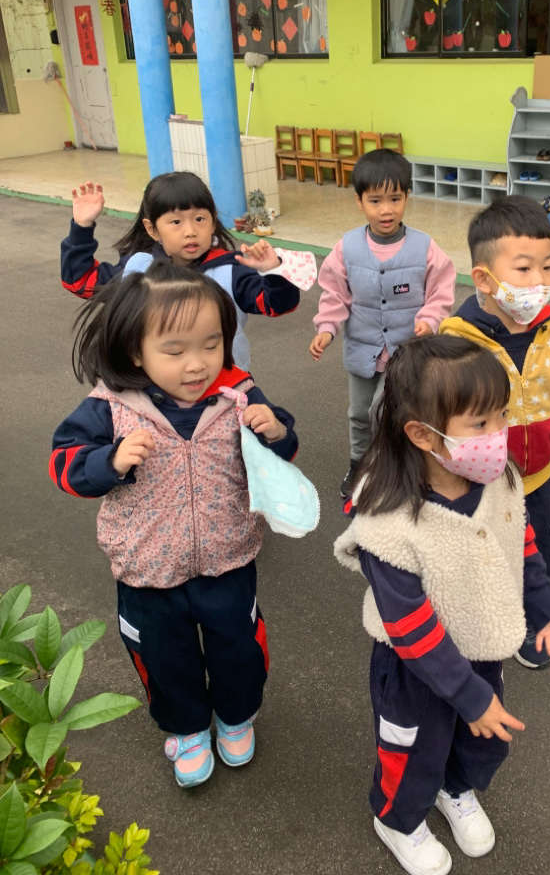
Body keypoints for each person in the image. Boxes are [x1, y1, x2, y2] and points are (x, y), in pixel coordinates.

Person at [334, 336, 550, 875]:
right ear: (422, 434)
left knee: (479, 741)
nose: (500, 433)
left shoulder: (497, 477)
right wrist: (467, 694)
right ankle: (398, 820)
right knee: (412, 749)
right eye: (481, 423)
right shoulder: (388, 516)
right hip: (413, 669)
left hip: (481, 645)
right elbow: (408, 624)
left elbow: (519, 542)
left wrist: (544, 604)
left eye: (502, 415)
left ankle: (455, 787)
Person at [50, 261, 298, 787]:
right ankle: (186, 728)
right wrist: (110, 461)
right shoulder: (110, 406)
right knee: (164, 655)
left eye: (211, 344)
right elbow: (64, 462)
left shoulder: (237, 394)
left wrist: (277, 431)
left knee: (238, 646)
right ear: (135, 351)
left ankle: (236, 716)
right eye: (175, 350)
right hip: (146, 568)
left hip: (228, 557)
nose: (197, 364)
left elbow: (281, 451)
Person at [441, 197, 550, 668]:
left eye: (548, 266)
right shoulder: (456, 344)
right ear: (484, 279)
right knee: (483, 557)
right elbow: (439, 421)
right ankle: (479, 617)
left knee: (543, 551)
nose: (539, 281)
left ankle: (531, 618)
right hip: (478, 485)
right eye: (523, 269)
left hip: (540, 480)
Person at [309, 148, 456, 498]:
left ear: (407, 196)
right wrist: (326, 329)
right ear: (359, 201)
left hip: (406, 354)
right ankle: (359, 462)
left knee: (386, 410)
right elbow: (334, 293)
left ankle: (394, 464)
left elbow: (441, 290)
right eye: (375, 201)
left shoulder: (425, 247)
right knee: (360, 413)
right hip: (363, 351)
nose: (386, 210)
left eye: (395, 199)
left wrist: (430, 319)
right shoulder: (346, 248)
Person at [60, 173, 305, 371]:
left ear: (213, 221)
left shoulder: (230, 271)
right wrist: (82, 226)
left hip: (223, 392)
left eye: (199, 219)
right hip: (156, 393)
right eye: (176, 222)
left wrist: (274, 272)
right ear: (152, 229)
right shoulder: (138, 268)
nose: (190, 231)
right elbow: (80, 281)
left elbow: (278, 305)